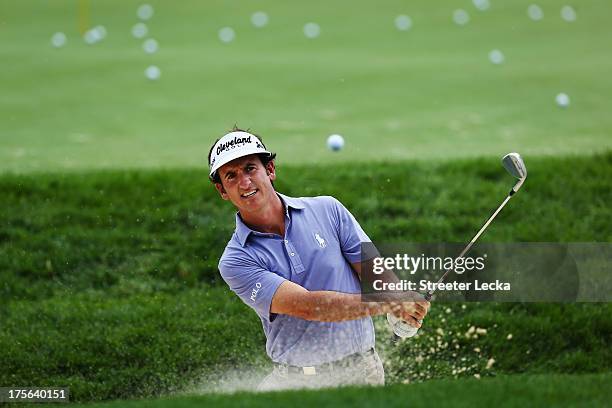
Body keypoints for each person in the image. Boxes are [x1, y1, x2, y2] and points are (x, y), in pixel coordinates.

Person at [208, 127, 430, 391]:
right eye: (231, 176)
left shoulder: (328, 210)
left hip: (363, 374)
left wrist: (402, 310)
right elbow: (309, 306)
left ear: (270, 170)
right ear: (222, 191)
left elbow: (377, 275)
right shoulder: (236, 260)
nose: (244, 182)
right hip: (297, 384)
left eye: (250, 168)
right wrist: (389, 304)